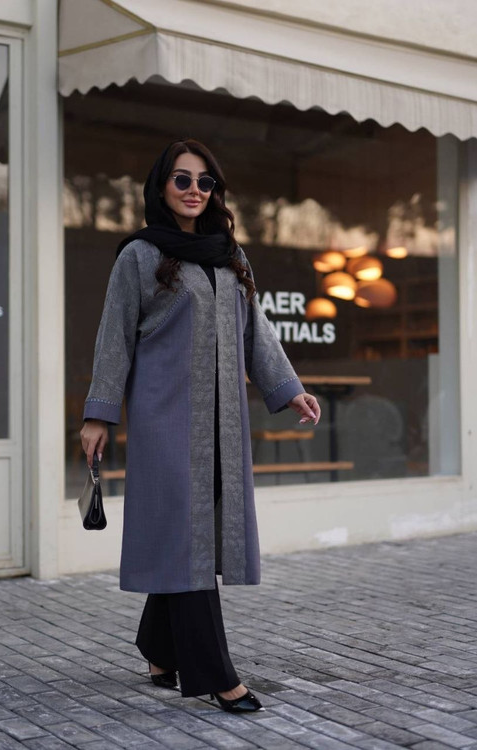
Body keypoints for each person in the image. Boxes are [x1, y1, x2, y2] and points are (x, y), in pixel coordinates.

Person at [80, 139, 321, 713]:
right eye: (182, 179)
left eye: (205, 182)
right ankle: (216, 674)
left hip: (223, 423)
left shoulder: (231, 257)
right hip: (164, 419)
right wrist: (98, 413)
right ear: (161, 186)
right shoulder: (139, 256)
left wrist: (289, 389)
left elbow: (256, 331)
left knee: (189, 535)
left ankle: (158, 647)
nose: (194, 190)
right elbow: (114, 336)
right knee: (187, 534)